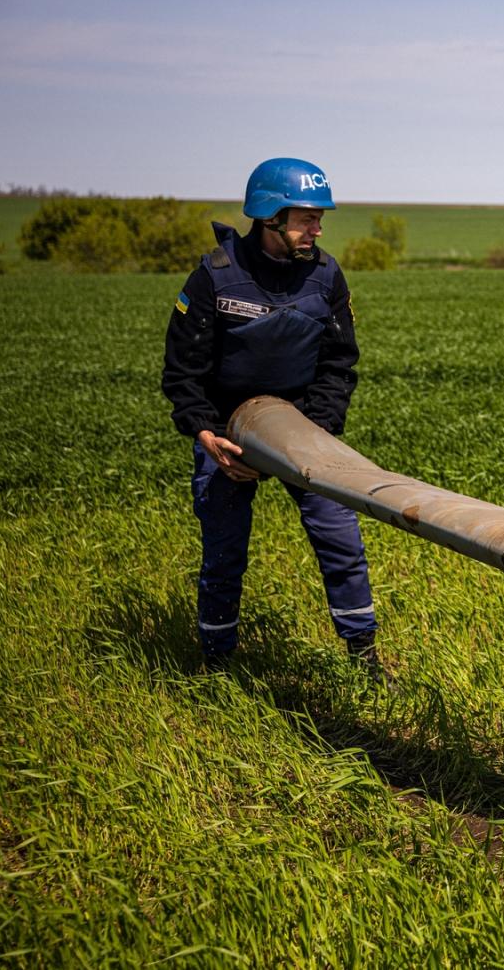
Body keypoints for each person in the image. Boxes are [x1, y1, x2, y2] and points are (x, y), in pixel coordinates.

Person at [161, 157, 388, 681]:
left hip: (304, 433)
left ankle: (365, 658)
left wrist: (317, 432)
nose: (318, 228)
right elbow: (182, 374)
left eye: (319, 218)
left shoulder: (327, 275)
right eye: (306, 218)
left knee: (341, 540)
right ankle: (217, 663)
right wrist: (208, 434)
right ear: (269, 217)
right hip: (226, 436)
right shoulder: (214, 278)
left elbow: (339, 363)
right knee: (224, 554)